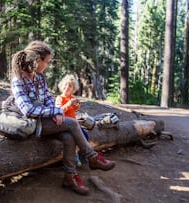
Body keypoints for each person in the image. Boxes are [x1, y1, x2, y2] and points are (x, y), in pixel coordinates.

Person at [10, 40, 115, 195]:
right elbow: (28, 110)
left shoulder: (39, 78)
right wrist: (54, 113)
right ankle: (92, 157)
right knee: (72, 123)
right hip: (31, 124)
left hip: (46, 121)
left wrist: (57, 112)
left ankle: (70, 177)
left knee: (68, 138)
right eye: (47, 62)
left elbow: (49, 100)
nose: (48, 65)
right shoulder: (18, 80)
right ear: (37, 61)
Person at [55, 74, 90, 167]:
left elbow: (74, 109)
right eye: (65, 85)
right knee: (72, 138)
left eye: (70, 86)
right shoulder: (59, 98)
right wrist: (69, 104)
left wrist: (76, 105)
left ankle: (83, 155)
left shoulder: (72, 98)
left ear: (73, 89)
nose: (67, 87)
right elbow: (59, 110)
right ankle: (75, 156)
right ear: (62, 86)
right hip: (64, 124)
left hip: (74, 124)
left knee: (85, 135)